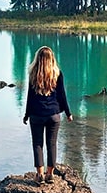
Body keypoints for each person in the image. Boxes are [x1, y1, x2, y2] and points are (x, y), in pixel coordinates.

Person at [23, 46, 73, 184]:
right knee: (52, 144)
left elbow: (30, 97)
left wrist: (26, 114)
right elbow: (62, 96)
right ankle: (50, 174)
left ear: (38, 59)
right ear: (52, 59)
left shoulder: (33, 74)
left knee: (37, 144)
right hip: (53, 115)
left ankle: (39, 175)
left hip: (37, 115)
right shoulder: (57, 73)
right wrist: (68, 113)